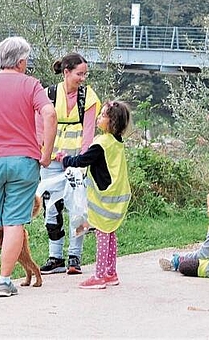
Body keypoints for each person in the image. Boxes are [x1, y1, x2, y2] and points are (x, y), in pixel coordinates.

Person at [0, 36, 57, 298]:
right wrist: (46, 154)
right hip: (23, 161)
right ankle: (4, 282)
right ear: (20, 61)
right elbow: (49, 114)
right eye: (26, 59)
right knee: (15, 223)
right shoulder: (31, 85)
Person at [56, 100, 132, 289]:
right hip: (118, 194)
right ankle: (111, 273)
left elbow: (82, 160)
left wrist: (64, 159)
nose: (99, 118)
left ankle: (99, 276)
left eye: (103, 115)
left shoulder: (101, 143)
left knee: (102, 235)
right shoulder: (117, 141)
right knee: (110, 233)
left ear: (112, 122)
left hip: (104, 198)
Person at [37, 53, 100, 275]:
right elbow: (39, 128)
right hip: (52, 161)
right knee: (51, 209)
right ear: (66, 72)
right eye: (79, 74)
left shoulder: (88, 97)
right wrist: (43, 154)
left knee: (78, 209)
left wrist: (81, 162)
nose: (83, 78)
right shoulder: (48, 95)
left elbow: (89, 133)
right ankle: (55, 257)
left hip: (75, 162)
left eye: (85, 74)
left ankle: (75, 257)